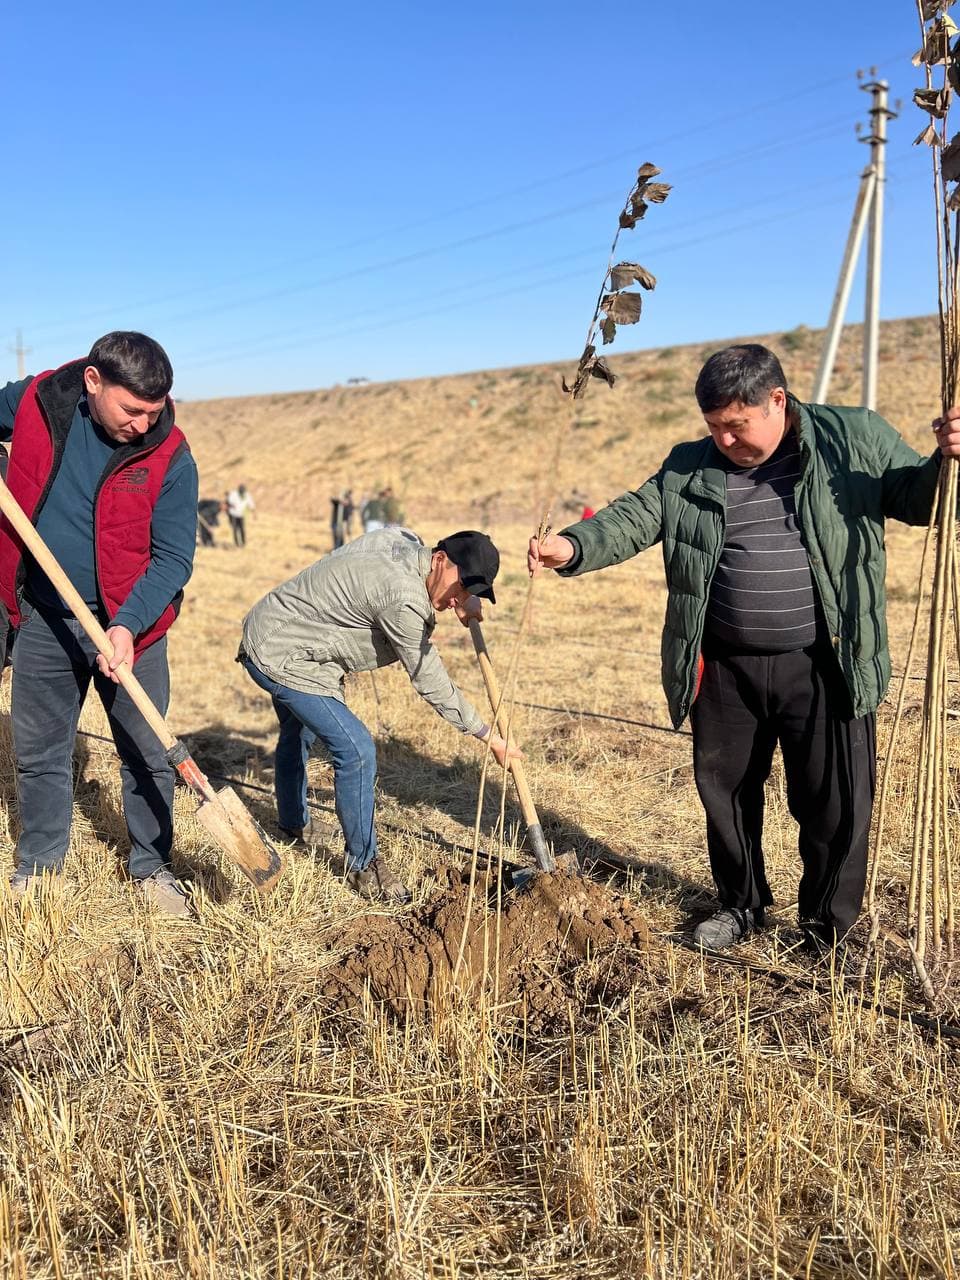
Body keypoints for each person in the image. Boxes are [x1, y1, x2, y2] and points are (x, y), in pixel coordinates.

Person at [529, 344, 960, 956]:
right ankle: (741, 905)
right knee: (726, 795)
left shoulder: (852, 439)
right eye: (714, 426)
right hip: (725, 666)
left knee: (835, 803)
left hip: (827, 662)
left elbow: (921, 501)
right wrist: (572, 547)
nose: (724, 440)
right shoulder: (689, 466)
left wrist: (948, 461)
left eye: (736, 425)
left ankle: (828, 928)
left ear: (777, 400)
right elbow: (633, 517)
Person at [0, 331, 199, 915]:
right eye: (131, 410)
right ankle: (39, 864)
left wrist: (128, 625)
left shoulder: (169, 453)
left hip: (131, 629)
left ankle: (152, 867)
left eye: (153, 411)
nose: (143, 424)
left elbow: (173, 559)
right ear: (93, 381)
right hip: (46, 616)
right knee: (39, 750)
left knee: (146, 753)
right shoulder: (38, 402)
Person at [238, 527, 519, 901]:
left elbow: (398, 550)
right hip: (282, 654)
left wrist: (461, 598)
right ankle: (364, 865)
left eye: (471, 590)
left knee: (299, 730)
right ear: (439, 560)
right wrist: (488, 736)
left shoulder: (403, 543)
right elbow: (430, 679)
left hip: (278, 628)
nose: (461, 595)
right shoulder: (402, 599)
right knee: (356, 751)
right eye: (462, 585)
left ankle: (293, 823)